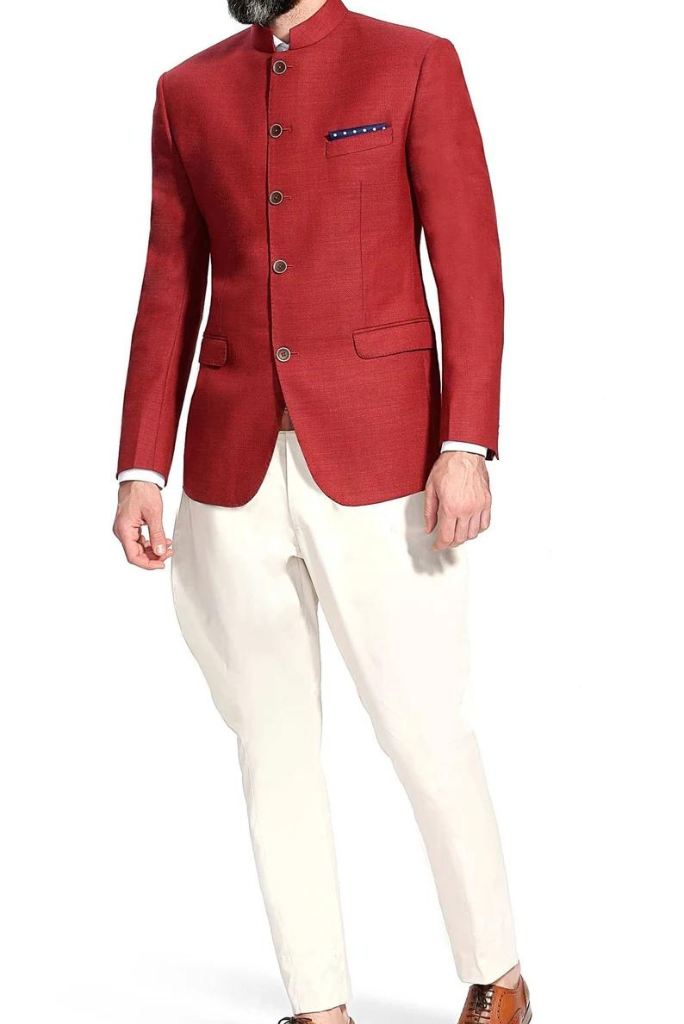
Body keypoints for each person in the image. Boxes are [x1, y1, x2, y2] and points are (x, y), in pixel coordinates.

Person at [113, 2, 531, 1022]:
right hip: (230, 469)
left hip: (388, 463)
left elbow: (469, 264)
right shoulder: (186, 91)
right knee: (272, 745)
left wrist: (466, 443)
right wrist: (140, 465)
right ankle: (319, 1004)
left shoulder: (414, 64)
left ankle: (498, 975)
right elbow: (168, 284)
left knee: (424, 728)